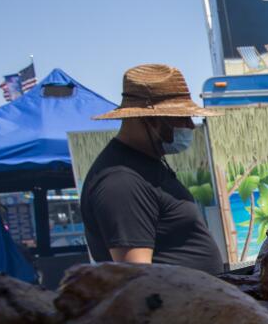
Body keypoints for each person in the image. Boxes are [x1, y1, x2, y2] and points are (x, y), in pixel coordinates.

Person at [82, 64, 224, 274]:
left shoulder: (146, 165)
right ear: (148, 120)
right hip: (174, 305)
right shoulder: (121, 182)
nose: (190, 126)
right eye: (181, 118)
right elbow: (137, 279)